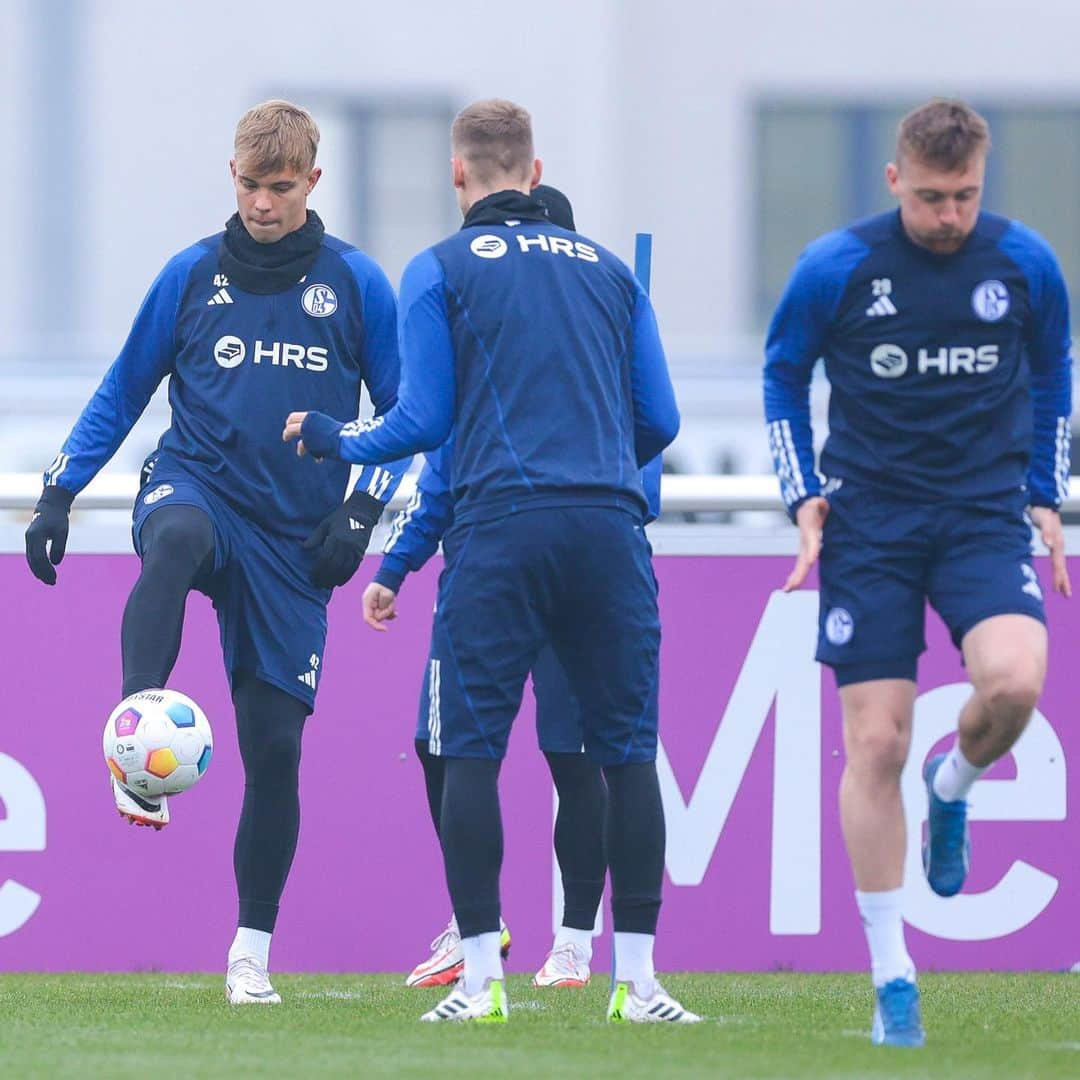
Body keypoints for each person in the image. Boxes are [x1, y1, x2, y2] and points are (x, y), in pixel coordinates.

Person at [284, 98, 695, 1024]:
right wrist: (589, 452)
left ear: (459, 174)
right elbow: (661, 422)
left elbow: (422, 424)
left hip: (503, 530)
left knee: (468, 752)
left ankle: (480, 980)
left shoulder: (439, 268)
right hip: (608, 527)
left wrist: (332, 438)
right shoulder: (612, 273)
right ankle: (640, 985)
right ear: (535, 172)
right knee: (626, 756)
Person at [24, 100, 408, 1006]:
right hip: (196, 482)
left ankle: (249, 955)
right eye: (248, 184)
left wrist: (361, 512)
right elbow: (124, 388)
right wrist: (59, 489)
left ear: (313, 183)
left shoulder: (358, 286)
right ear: (229, 174)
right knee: (178, 541)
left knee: (274, 750)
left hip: (294, 536)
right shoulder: (192, 275)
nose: (262, 204)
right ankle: (135, 747)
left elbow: (410, 421)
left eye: (280, 188)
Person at [764, 98, 1072, 1047]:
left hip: (982, 519)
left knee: (1017, 684)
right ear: (896, 180)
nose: (950, 217)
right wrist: (802, 495)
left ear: (985, 181)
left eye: (966, 197)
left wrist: (1043, 492)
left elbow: (1054, 371)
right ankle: (893, 975)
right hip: (873, 527)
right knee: (878, 747)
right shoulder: (837, 267)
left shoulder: (1024, 264)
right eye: (933, 198)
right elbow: (782, 375)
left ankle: (956, 787)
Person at [363, 186, 665, 990]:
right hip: (485, 561)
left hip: (524, 556)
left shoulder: (558, 354)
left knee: (573, 758)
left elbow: (650, 426)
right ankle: (483, 930)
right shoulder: (492, 359)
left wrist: (336, 441)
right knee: (440, 746)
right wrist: (396, 567)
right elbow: (441, 476)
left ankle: (571, 940)